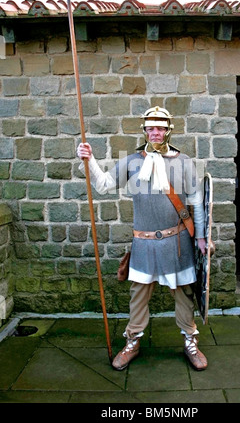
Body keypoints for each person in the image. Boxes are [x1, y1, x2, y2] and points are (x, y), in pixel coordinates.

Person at [77, 106, 207, 371]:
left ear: (168, 129)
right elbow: (103, 184)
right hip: (144, 243)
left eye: (160, 128)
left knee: (184, 294)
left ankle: (190, 341)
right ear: (145, 130)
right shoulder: (132, 161)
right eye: (150, 128)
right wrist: (89, 160)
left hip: (177, 241)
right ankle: (133, 341)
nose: (155, 133)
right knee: (137, 295)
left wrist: (202, 237)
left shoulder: (184, 162)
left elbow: (197, 202)